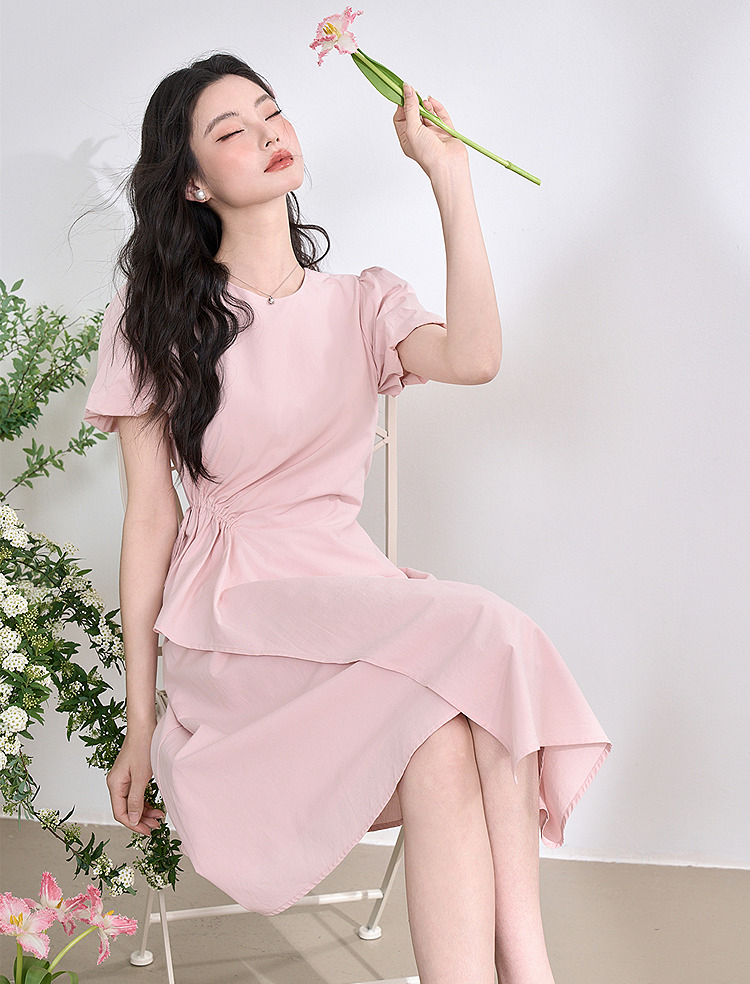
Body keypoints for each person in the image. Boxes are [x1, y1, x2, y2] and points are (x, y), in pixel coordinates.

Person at [83, 52, 611, 984]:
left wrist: (450, 177)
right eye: (232, 131)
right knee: (486, 629)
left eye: (271, 112)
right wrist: (138, 722)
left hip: (350, 605)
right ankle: (531, 968)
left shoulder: (363, 301)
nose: (267, 134)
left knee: (444, 732)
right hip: (235, 624)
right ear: (194, 182)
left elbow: (477, 357)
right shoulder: (154, 317)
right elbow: (150, 523)